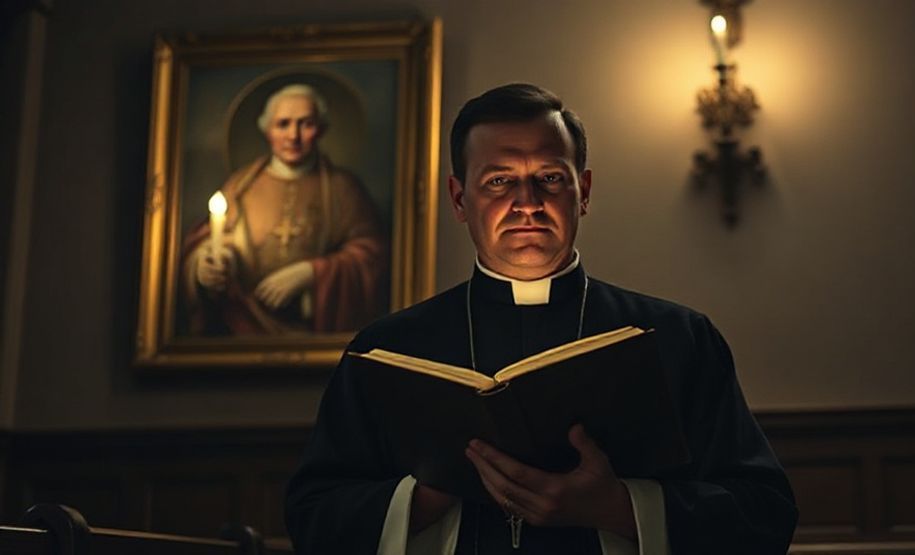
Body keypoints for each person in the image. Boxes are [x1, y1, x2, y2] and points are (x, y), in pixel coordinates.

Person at [285, 83, 797, 554]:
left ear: (585, 191)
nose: (526, 203)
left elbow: (765, 514)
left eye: (550, 178)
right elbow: (312, 518)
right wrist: (429, 496)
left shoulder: (679, 338)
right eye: (499, 181)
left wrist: (617, 507)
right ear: (460, 199)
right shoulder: (384, 350)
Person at [180, 84, 388, 335]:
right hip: (245, 323)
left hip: (315, 331)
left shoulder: (342, 188)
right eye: (283, 124)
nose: (293, 136)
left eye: (305, 124)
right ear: (267, 130)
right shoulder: (242, 185)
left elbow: (371, 256)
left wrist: (312, 274)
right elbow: (213, 242)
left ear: (321, 130)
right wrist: (207, 266)